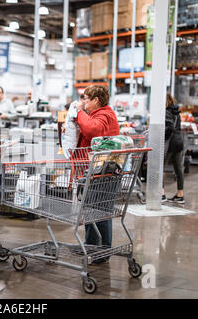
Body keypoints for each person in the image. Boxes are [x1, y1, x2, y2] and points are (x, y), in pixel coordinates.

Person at [73, 85, 120, 264]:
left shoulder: (105, 115)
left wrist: (79, 113)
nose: (83, 102)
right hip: (97, 169)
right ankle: (90, 245)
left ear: (96, 101)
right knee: (92, 208)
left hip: (105, 170)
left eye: (86, 98)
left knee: (100, 210)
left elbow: (93, 130)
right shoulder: (98, 114)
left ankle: (102, 251)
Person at [162, 93, 185, 203]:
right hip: (178, 141)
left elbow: (169, 127)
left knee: (160, 168)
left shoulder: (166, 111)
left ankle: (161, 194)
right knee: (178, 169)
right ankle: (180, 195)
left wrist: (163, 136)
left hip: (170, 143)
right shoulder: (176, 111)